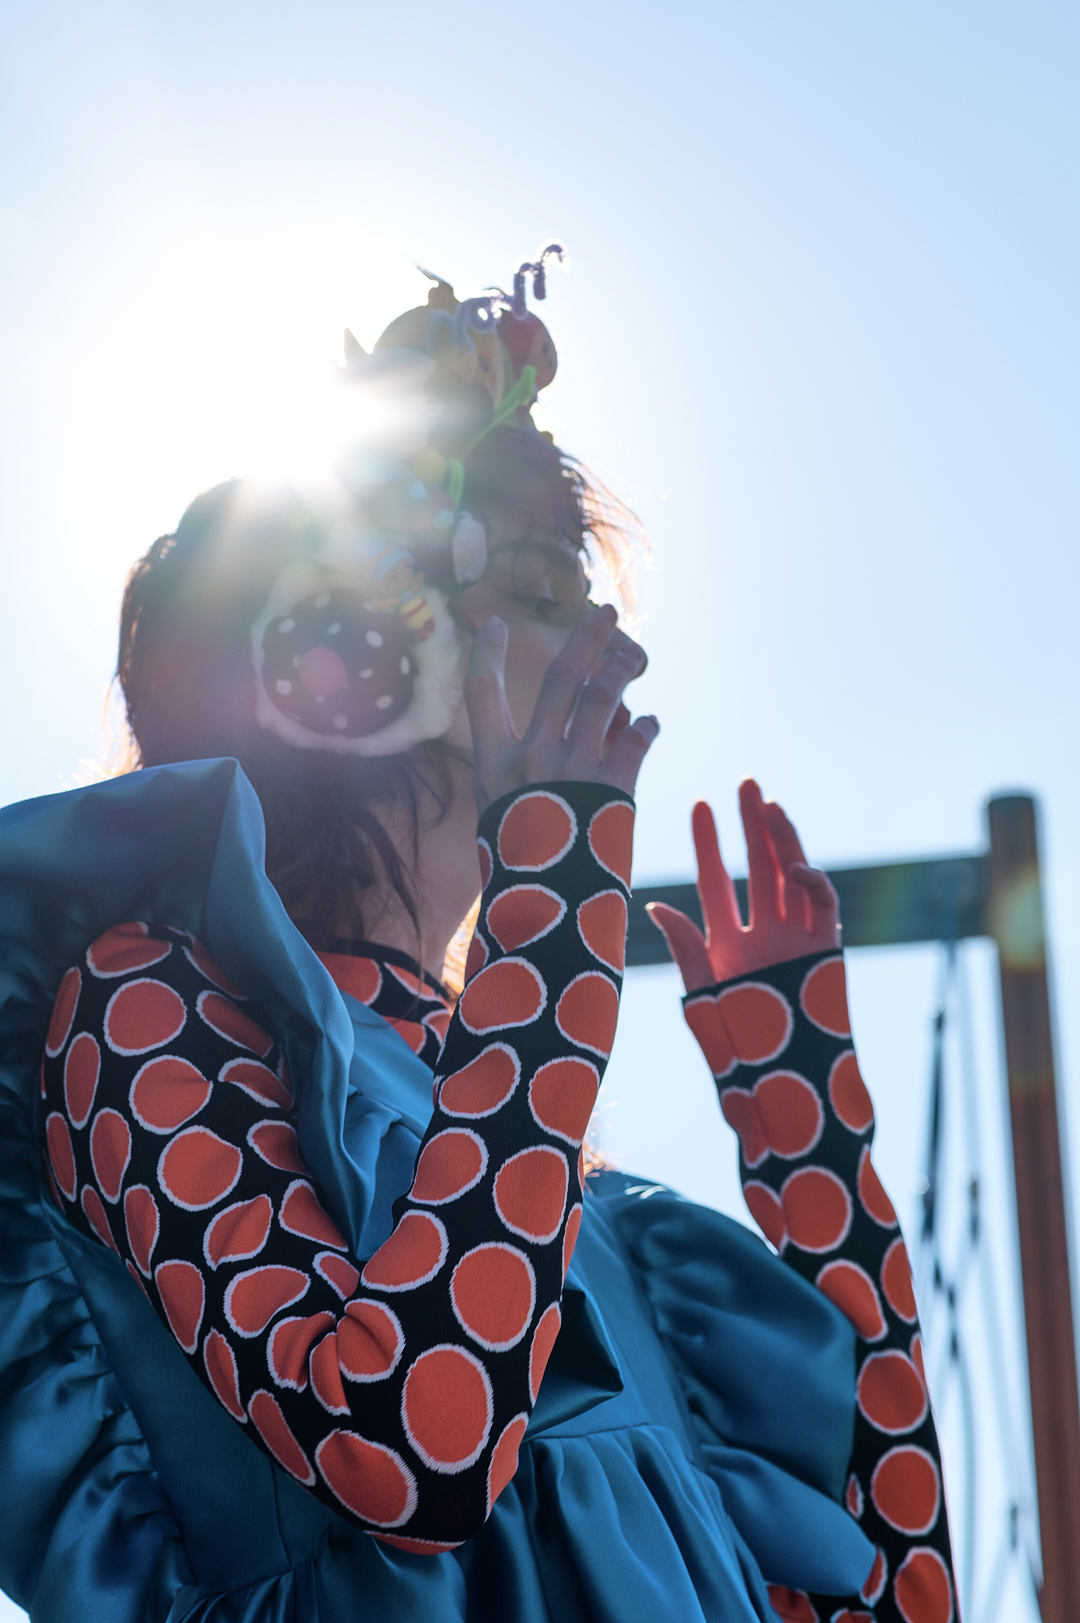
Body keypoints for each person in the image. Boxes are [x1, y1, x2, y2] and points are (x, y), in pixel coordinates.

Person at [0, 252, 956, 1623]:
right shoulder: (147, 1005)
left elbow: (894, 1601)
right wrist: (556, 899)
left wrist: (803, 1119)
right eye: (540, 585)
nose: (613, 648)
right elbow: (406, 1449)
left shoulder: (599, 1223)